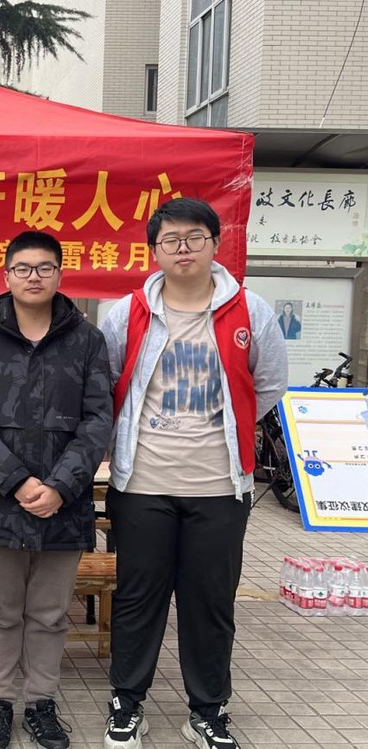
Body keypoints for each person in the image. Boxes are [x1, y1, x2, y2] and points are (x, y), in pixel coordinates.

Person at [100, 197, 288, 749]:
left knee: (211, 603)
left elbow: (268, 384)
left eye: (194, 238)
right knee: (138, 600)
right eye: (170, 240)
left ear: (215, 243)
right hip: (143, 485)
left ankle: (207, 711)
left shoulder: (251, 310)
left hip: (219, 488)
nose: (183, 248)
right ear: (154, 250)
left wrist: (226, 428)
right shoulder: (128, 312)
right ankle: (126, 704)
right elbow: (106, 383)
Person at [0, 231, 112, 749]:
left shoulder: (86, 340)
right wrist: (19, 482)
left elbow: (98, 419)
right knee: (0, 613)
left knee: (48, 613)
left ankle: (41, 702)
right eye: (23, 268)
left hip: (64, 505)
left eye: (44, 267)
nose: (34, 276)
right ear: (6, 276)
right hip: (0, 503)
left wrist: (61, 486)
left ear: (60, 274)